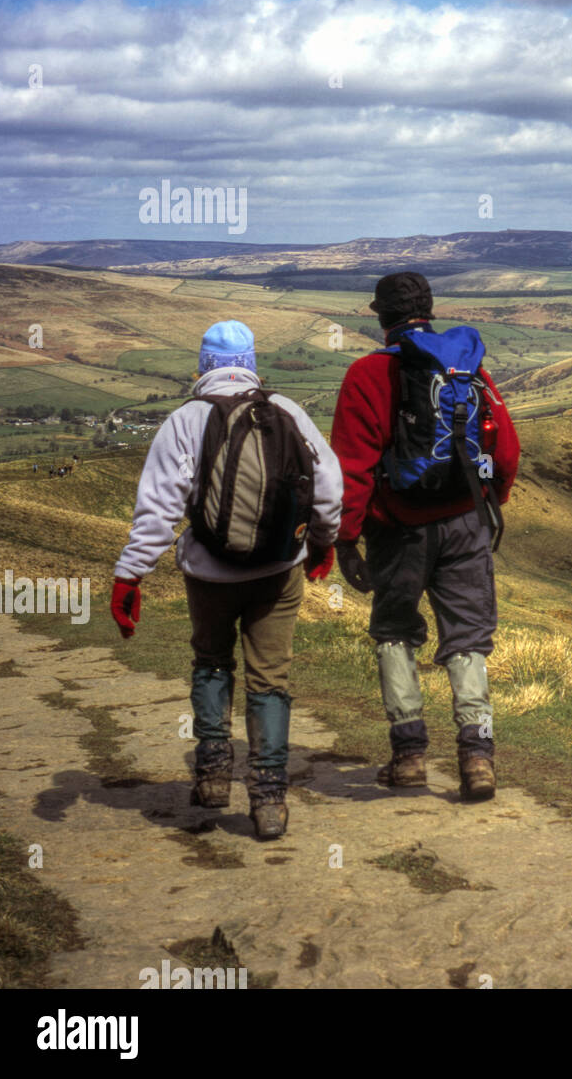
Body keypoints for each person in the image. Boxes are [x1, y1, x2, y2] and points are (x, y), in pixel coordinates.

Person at [110, 321, 342, 840]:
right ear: (253, 361)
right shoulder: (289, 412)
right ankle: (268, 798)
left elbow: (158, 509)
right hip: (279, 572)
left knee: (212, 663)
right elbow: (327, 487)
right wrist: (322, 543)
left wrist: (130, 575)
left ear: (203, 362)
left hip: (209, 572)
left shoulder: (185, 420)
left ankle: (214, 775)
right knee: (270, 680)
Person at [330, 272, 518, 800]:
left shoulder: (368, 375)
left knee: (394, 630)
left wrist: (346, 538)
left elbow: (354, 467)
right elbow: (504, 450)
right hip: (465, 521)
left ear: (380, 317)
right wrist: (485, 503)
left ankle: (409, 755)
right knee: (467, 635)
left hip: (398, 529)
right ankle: (477, 758)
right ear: (429, 310)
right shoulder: (465, 366)